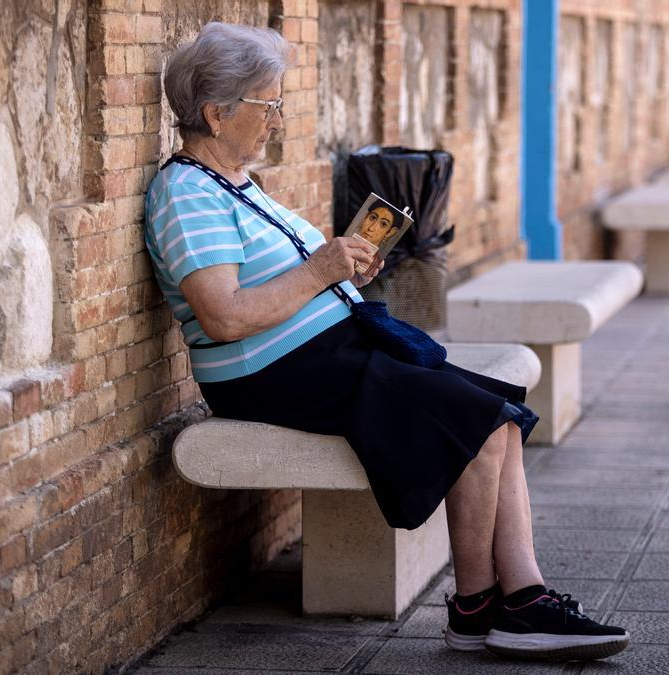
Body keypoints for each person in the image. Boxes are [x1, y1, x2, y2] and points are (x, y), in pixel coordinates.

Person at [145, 22, 629, 661]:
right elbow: (224, 318)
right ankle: (480, 608)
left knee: (502, 418)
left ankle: (523, 598)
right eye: (268, 105)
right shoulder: (185, 194)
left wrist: (340, 272)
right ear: (216, 112)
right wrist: (321, 271)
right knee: (478, 424)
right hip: (273, 375)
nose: (277, 120)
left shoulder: (232, 184)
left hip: (329, 353)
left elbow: (289, 285)